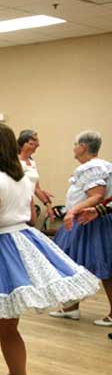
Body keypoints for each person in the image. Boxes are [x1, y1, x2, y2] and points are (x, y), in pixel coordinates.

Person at [0, 124, 99, 375]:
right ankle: (16, 373)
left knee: (5, 327)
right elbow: (29, 214)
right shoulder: (21, 175)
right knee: (8, 324)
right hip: (20, 241)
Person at [49, 131, 112, 323]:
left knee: (104, 268)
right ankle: (71, 307)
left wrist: (71, 211)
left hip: (89, 222)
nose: (74, 148)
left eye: (76, 144)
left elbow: (97, 195)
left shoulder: (92, 167)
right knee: (71, 264)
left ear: (83, 147)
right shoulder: (102, 166)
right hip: (88, 220)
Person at [17, 129, 55, 213]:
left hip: (29, 203)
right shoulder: (15, 161)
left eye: (36, 142)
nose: (35, 145)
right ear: (22, 144)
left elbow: (37, 188)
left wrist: (47, 204)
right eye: (31, 143)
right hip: (17, 204)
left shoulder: (32, 163)